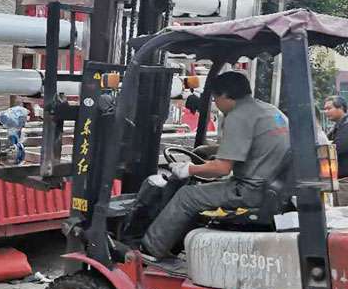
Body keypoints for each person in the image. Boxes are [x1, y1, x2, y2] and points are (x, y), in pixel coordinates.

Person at [141, 72, 290, 260]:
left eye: (215, 99)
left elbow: (221, 169)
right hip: (273, 186)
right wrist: (211, 150)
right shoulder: (269, 111)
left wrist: (188, 169)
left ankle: (149, 249)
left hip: (250, 190)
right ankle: (177, 244)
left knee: (187, 195)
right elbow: (254, 145)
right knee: (201, 193)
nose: (216, 104)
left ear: (225, 95)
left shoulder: (238, 116)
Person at [324, 96, 348, 177]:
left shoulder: (346, 126)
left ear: (341, 108)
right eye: (325, 109)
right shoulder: (336, 126)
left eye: (329, 108)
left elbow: (335, 149)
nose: (326, 112)